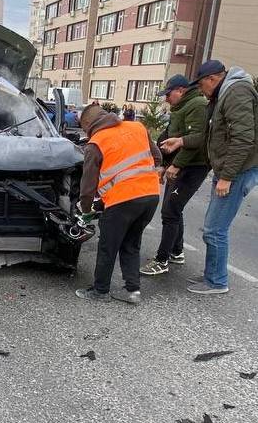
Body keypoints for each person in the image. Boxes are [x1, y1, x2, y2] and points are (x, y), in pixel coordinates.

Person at [161, 60, 258, 294]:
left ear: (212, 79)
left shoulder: (236, 92)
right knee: (212, 227)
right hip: (229, 169)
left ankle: (217, 281)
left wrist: (227, 177)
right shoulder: (224, 93)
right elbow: (210, 135)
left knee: (215, 229)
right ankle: (211, 274)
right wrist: (181, 141)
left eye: (201, 84)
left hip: (237, 171)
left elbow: (243, 138)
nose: (200, 90)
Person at [75, 104, 161, 304]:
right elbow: (157, 157)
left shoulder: (96, 143)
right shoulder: (137, 127)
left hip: (122, 201)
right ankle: (132, 291)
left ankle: (100, 291)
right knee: (131, 243)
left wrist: (86, 210)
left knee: (108, 246)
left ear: (88, 124)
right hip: (151, 195)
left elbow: (87, 186)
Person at [141, 74, 209, 276]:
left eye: (168, 94)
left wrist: (176, 166)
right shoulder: (180, 108)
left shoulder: (197, 105)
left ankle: (162, 260)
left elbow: (195, 141)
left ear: (180, 90)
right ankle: (177, 252)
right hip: (180, 165)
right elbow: (170, 137)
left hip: (193, 166)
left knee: (170, 211)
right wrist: (163, 163)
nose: (166, 99)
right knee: (173, 208)